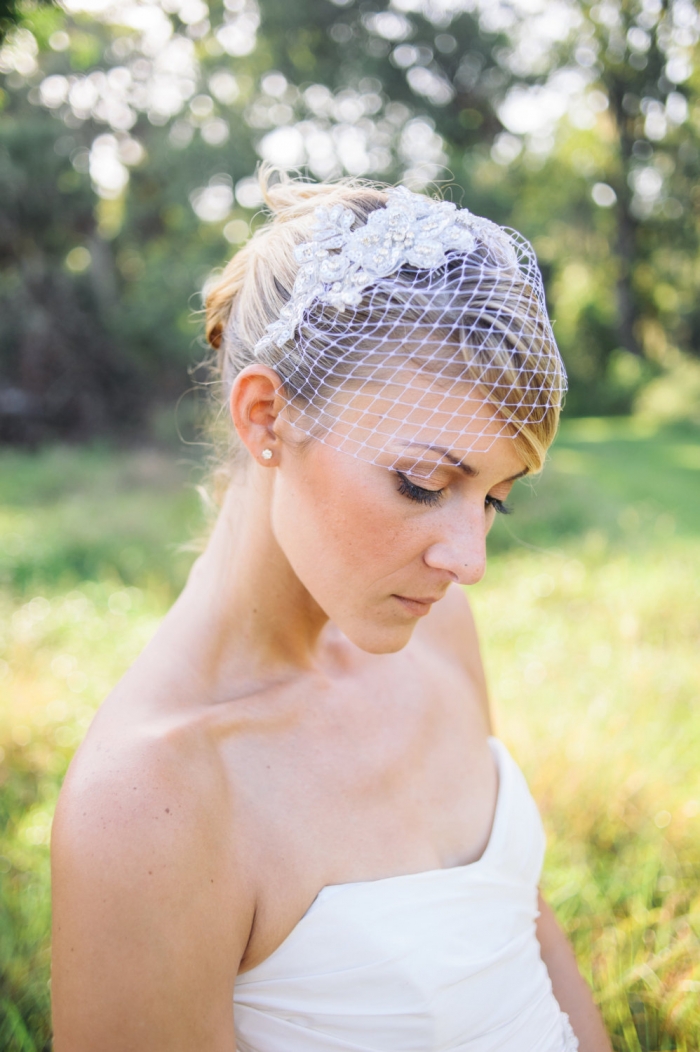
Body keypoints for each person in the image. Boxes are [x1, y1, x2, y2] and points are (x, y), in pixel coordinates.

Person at [51, 167, 612, 1052]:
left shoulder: (438, 632)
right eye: (424, 483)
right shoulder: (148, 800)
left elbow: (521, 926)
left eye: (495, 498)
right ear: (267, 415)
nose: (470, 563)